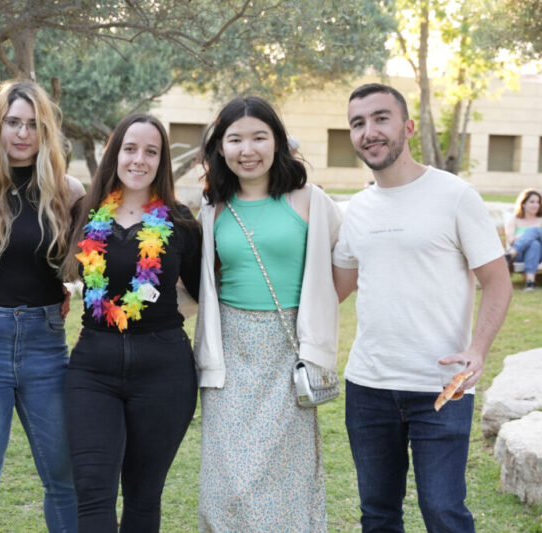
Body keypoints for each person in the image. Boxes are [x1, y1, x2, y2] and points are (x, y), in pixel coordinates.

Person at [333, 83, 512, 533]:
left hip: (442, 386)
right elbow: (334, 289)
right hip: (368, 386)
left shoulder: (455, 196)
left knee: (443, 512)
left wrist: (479, 349)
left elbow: (497, 282)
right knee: (377, 515)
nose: (369, 131)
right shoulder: (355, 210)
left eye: (380, 118)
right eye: (358, 123)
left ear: (407, 127)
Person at [195, 96, 342, 532]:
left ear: (277, 142)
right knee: (228, 483)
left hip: (288, 353)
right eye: (235, 139)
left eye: (260, 137)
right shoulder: (212, 209)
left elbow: (343, 266)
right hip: (231, 353)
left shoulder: (310, 201)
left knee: (287, 478)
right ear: (220, 147)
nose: (248, 149)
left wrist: (316, 317)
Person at [0, 80, 84, 532]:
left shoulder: (68, 191)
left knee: (64, 476)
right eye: (13, 123)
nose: (22, 134)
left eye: (33, 124)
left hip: (46, 343)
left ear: (45, 131)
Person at [61, 113, 201, 532]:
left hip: (164, 372)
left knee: (143, 498)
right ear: (115, 154)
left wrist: (157, 311)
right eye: (131, 148)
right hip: (92, 371)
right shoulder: (84, 213)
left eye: (151, 151)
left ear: (161, 161)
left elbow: (201, 292)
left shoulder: (181, 221)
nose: (139, 159)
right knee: (92, 496)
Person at [504, 188, 541, 291]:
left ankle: (510, 255)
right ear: (523, 204)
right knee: (534, 244)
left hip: (540, 254)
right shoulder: (514, 220)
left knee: (535, 231)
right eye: (532, 202)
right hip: (520, 255)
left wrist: (524, 234)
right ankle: (530, 282)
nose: (535, 205)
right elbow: (511, 240)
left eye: (538, 202)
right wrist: (530, 236)